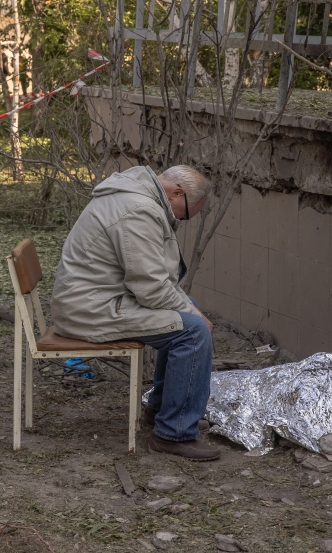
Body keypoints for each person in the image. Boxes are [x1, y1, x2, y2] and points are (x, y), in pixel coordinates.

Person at [50, 165, 220, 461]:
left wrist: (189, 307)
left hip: (91, 299)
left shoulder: (133, 192)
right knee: (193, 331)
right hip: (89, 309)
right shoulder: (138, 209)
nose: (182, 219)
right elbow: (151, 288)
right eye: (186, 212)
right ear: (177, 193)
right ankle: (174, 432)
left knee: (186, 312)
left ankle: (161, 410)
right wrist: (195, 315)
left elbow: (156, 281)